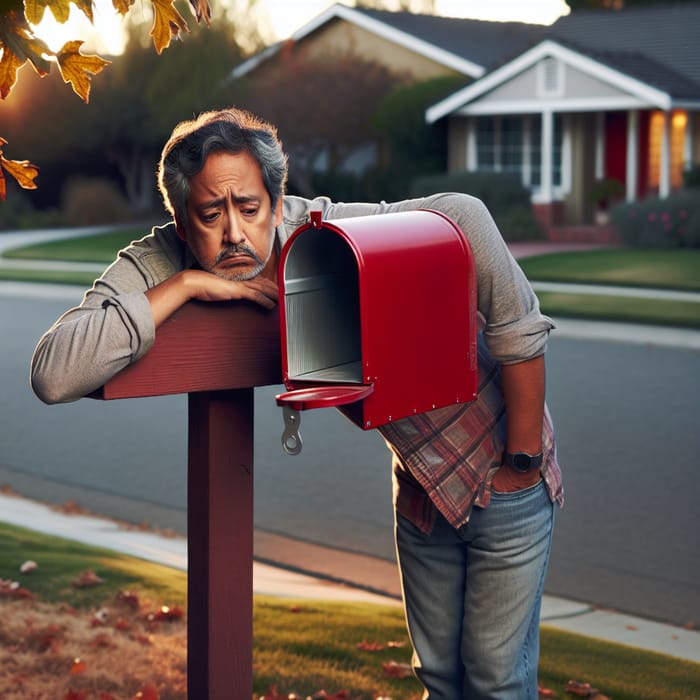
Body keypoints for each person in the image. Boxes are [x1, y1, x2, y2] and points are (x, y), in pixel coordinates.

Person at [31, 107, 563, 699]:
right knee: (438, 681)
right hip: (421, 490)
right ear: (182, 223)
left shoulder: (319, 230)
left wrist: (523, 460)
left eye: (250, 208)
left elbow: (465, 217)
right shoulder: (161, 259)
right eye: (211, 214)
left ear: (276, 201)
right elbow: (55, 372)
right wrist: (183, 285)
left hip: (505, 478)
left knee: (496, 683)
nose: (234, 232)